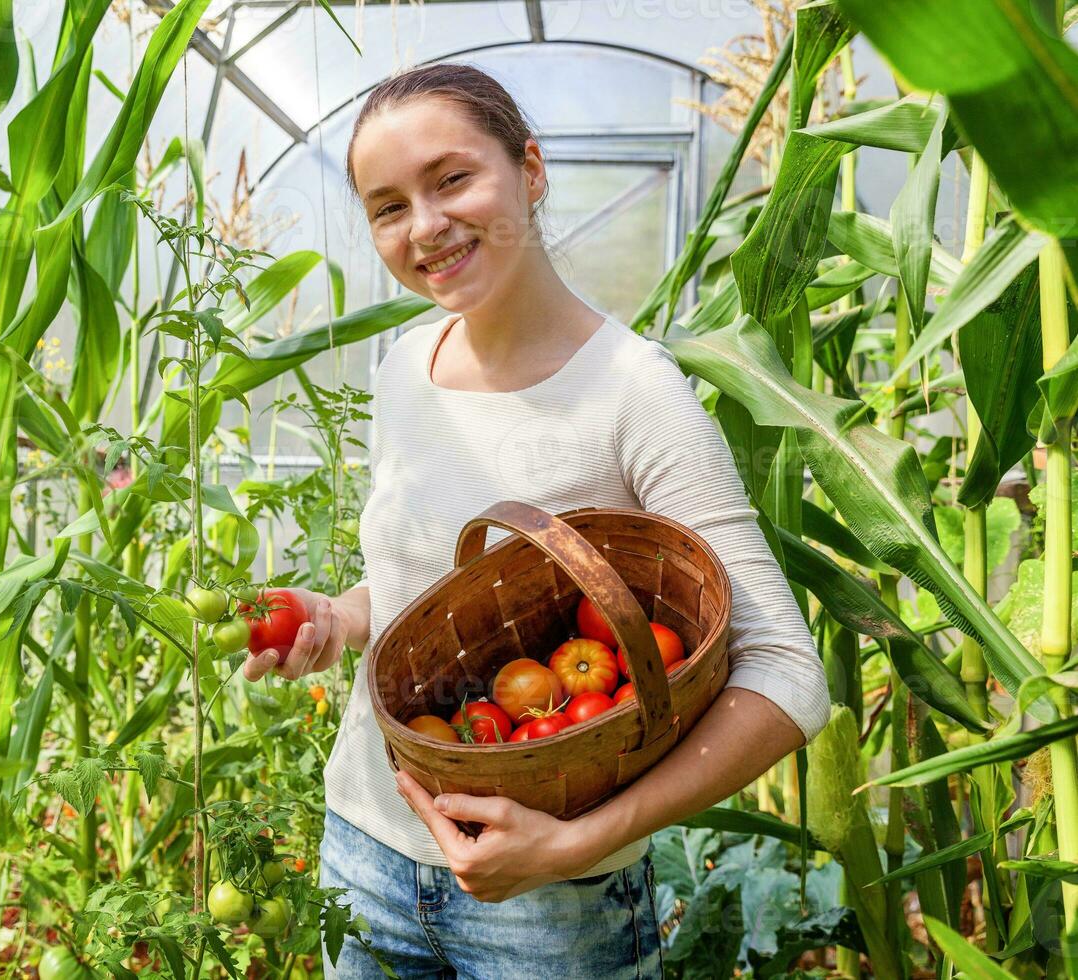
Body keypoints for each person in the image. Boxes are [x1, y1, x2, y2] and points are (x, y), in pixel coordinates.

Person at [241, 62, 831, 979]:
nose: (426, 228)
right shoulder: (404, 371)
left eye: (452, 180)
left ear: (531, 170)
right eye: (388, 206)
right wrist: (339, 618)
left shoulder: (638, 396)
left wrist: (575, 842)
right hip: (363, 856)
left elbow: (790, 676)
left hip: (557, 916)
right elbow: (419, 585)